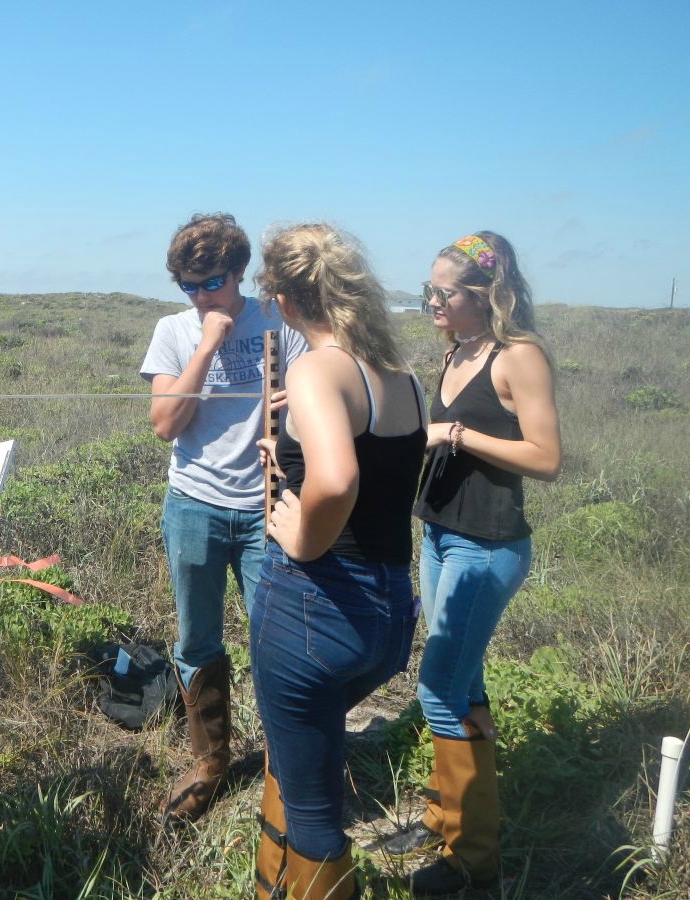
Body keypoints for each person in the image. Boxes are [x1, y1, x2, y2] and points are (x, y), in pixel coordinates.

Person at [249, 224, 427, 900]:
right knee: (310, 749)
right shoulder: (399, 377)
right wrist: (288, 452)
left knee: (315, 811)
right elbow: (375, 468)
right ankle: (276, 885)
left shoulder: (314, 368)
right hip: (386, 617)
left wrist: (302, 540)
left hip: (311, 607)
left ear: (284, 300)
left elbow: (339, 481)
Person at [388, 232, 560, 895]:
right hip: (437, 536)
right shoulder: (457, 350)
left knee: (436, 689)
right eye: (427, 288)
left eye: (443, 291)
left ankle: (473, 862)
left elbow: (546, 459)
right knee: (465, 684)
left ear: (486, 294)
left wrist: (455, 433)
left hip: (486, 545)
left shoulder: (520, 356)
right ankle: (447, 818)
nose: (430, 300)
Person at [140, 213, 306, 824]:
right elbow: (165, 426)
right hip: (194, 504)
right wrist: (207, 342)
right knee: (197, 638)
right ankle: (210, 762)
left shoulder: (280, 323)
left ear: (239, 272)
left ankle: (285, 763)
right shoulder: (174, 331)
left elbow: (312, 406)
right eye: (188, 285)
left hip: (269, 506)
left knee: (278, 639)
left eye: (212, 282)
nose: (201, 295)